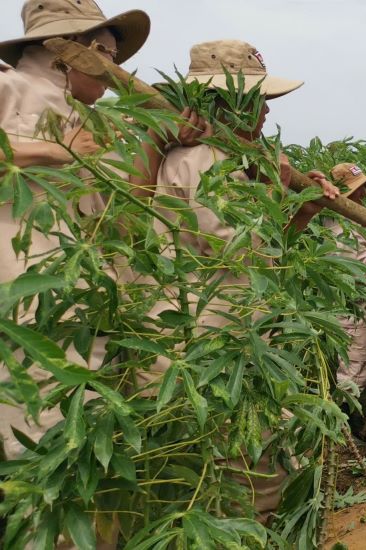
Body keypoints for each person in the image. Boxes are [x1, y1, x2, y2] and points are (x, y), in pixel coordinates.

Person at [0, 0, 207, 461]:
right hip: (27, 318)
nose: (115, 72)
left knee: (82, 462)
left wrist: (155, 140)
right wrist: (49, 151)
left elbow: (121, 224)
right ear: (77, 50)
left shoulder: (95, 126)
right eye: (110, 58)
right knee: (42, 458)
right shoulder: (9, 88)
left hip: (83, 313)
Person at [152, 39, 338, 523]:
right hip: (211, 346)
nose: (263, 113)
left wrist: (302, 207)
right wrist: (286, 197)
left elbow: (267, 256)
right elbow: (248, 252)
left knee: (255, 463)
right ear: (223, 102)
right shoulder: (201, 163)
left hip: (242, 340)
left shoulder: (237, 162)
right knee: (243, 470)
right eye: (255, 101)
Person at [292, 163, 366, 438]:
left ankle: (346, 422)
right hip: (351, 312)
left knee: (358, 367)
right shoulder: (339, 230)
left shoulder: (353, 223)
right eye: (359, 190)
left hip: (361, 311)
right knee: (353, 370)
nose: (365, 194)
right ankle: (339, 430)